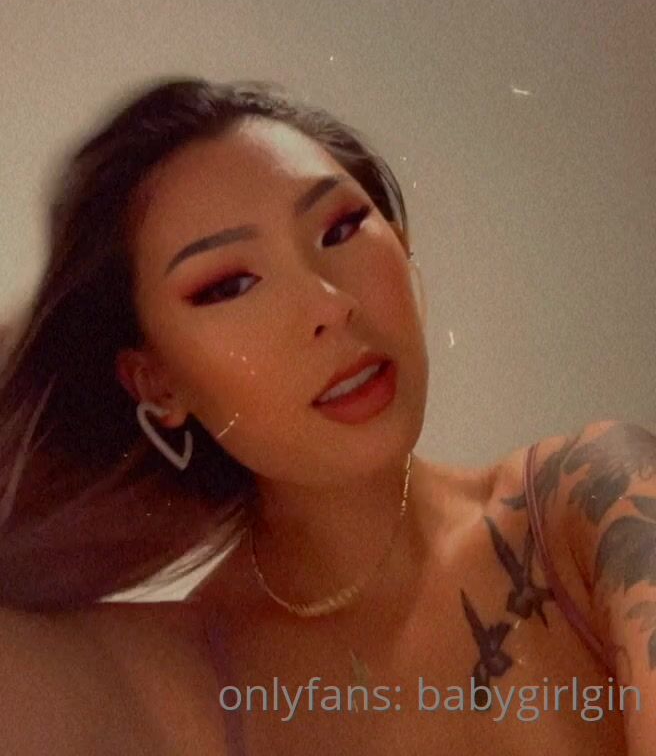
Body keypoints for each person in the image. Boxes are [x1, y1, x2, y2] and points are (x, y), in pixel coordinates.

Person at [0, 76, 653, 756]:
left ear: (399, 241)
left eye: (340, 228)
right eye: (229, 284)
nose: (329, 304)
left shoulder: (588, 507)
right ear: (156, 382)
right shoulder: (181, 680)